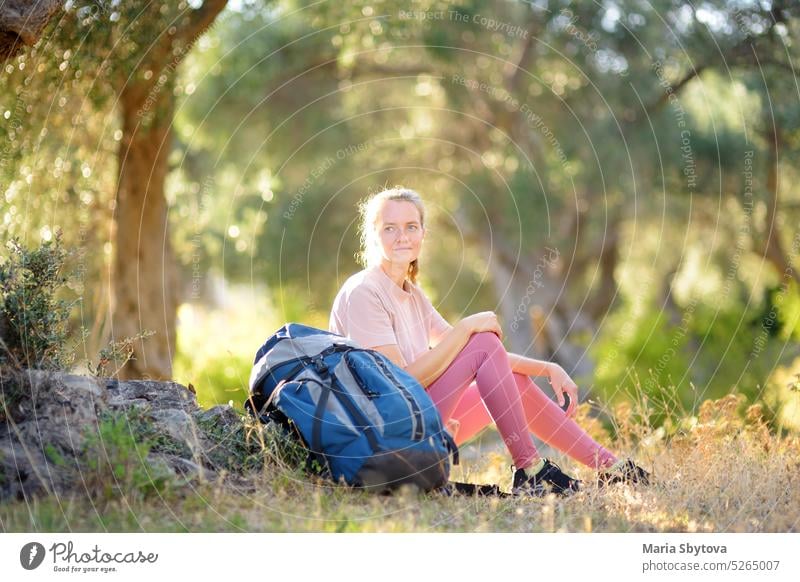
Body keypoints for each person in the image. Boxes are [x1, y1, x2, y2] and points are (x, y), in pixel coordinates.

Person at [329, 187, 649, 496]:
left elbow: (482, 357)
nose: (402, 236)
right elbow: (398, 384)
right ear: (373, 234)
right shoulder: (364, 293)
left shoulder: (413, 295)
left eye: (411, 226)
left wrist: (547, 368)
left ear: (423, 233)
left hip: (419, 423)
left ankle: (611, 468)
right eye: (390, 228)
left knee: (510, 377)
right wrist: (467, 327)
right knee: (480, 341)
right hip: (384, 441)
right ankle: (530, 470)